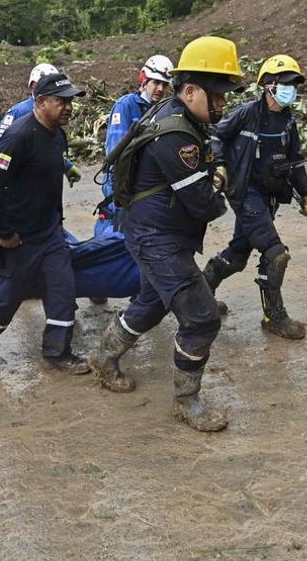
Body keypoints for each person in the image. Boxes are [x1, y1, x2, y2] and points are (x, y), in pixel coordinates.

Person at [88, 36, 243, 432]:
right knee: (203, 319)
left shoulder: (178, 115)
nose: (223, 105)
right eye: (218, 96)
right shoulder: (176, 136)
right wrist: (221, 184)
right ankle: (186, 401)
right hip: (158, 239)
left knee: (153, 302)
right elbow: (205, 204)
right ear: (190, 91)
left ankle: (104, 357)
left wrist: (215, 174)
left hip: (151, 231)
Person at [0, 71, 90, 373]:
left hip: (49, 233)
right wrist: (4, 233)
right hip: (18, 237)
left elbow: (51, 181)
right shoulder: (18, 136)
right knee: (7, 299)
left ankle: (57, 352)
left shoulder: (58, 136)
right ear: (41, 100)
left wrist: (58, 220)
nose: (69, 107)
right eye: (62, 101)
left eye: (70, 101)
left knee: (62, 289)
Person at [202, 54, 307, 340]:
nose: (290, 89)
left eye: (294, 84)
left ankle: (202, 292)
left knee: (238, 254)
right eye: (285, 83)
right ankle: (274, 317)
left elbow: (295, 162)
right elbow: (216, 135)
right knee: (276, 254)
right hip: (245, 192)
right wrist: (219, 164)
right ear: (267, 85)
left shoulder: (288, 122)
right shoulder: (247, 113)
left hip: (270, 194)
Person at [94, 54, 174, 239]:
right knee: (115, 229)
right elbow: (116, 150)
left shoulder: (162, 110)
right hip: (120, 180)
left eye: (164, 85)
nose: (160, 89)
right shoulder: (126, 105)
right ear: (144, 80)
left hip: (143, 183)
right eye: (156, 82)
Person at [0, 62, 81, 187]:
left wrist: (66, 166)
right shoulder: (19, 112)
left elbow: (49, 147)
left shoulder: (54, 113)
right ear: (33, 86)